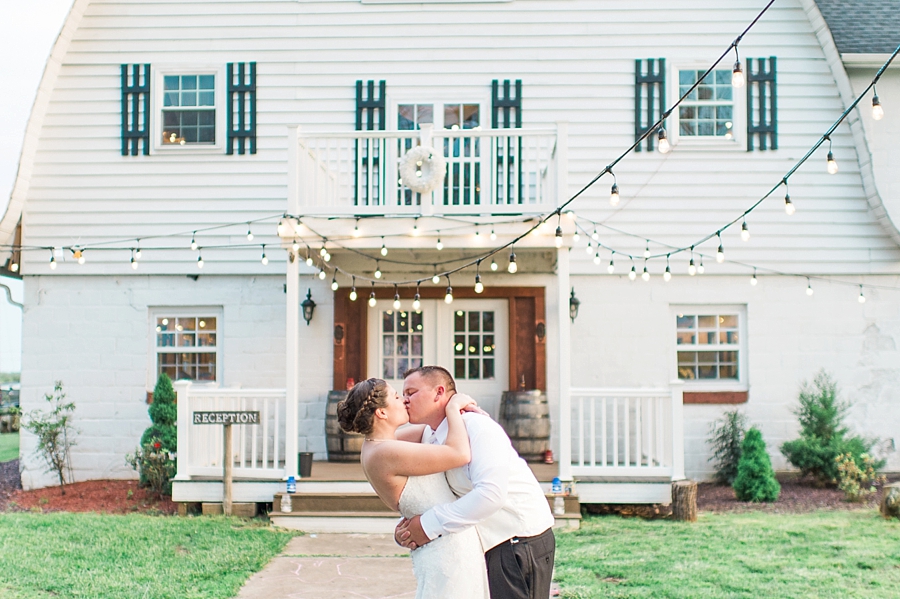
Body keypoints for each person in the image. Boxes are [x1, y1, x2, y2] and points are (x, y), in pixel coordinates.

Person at [397, 366, 556, 599]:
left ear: (439, 392)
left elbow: (491, 494)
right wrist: (408, 529)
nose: (404, 400)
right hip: (489, 542)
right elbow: (379, 441)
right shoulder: (432, 434)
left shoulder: (477, 427)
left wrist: (428, 526)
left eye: (411, 392)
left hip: (517, 540)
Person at [337, 377, 490, 599]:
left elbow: (427, 431)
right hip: (447, 553)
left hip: (448, 543)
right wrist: (454, 407)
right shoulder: (385, 453)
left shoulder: (379, 445)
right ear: (382, 412)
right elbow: (460, 454)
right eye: (397, 397)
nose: (405, 401)